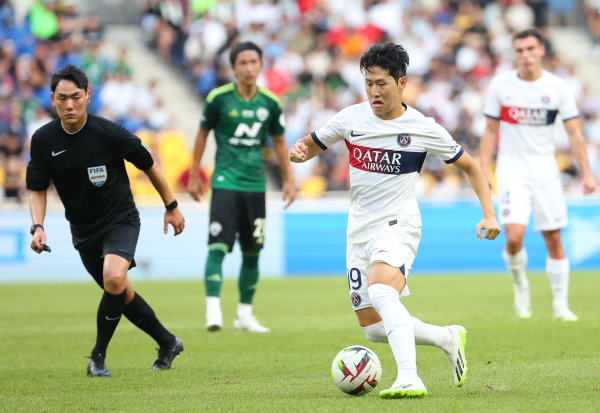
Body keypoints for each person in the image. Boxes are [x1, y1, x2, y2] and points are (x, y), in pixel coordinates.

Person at [290, 42, 501, 399]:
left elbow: (471, 166)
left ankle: (409, 376)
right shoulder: (350, 118)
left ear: (402, 84)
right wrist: (299, 152)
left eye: (382, 83)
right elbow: (309, 144)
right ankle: (447, 337)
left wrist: (489, 213)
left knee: (382, 290)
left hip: (399, 224)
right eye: (369, 82)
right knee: (373, 328)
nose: (374, 91)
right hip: (358, 230)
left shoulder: (422, 126)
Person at [26, 64, 186, 377]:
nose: (69, 105)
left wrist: (172, 204)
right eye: (62, 98)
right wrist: (38, 226)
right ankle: (168, 342)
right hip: (84, 230)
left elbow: (149, 165)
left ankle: (97, 358)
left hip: (121, 219)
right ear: (52, 99)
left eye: (75, 97)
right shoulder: (43, 140)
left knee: (114, 277)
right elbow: (37, 189)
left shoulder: (110, 133)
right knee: (121, 293)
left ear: (88, 96)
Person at [479, 28, 596, 321]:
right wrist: (483, 167)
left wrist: (587, 173)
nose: (526, 56)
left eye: (530, 49)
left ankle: (560, 305)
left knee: (553, 238)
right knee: (514, 236)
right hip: (511, 170)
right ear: (514, 54)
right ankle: (521, 287)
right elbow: (490, 130)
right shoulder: (500, 86)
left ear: (541, 50)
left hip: (545, 170)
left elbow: (574, 133)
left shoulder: (558, 87)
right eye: (519, 51)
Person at [187, 41, 296, 333]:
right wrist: (195, 175)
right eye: (242, 63)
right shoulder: (219, 98)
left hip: (255, 185)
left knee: (252, 251)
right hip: (225, 181)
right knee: (218, 246)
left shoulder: (270, 103)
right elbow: (201, 134)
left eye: (253, 62)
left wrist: (289, 179)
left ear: (261, 65)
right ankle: (213, 310)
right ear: (233, 68)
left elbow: (280, 141)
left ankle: (245, 315)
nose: (248, 68)